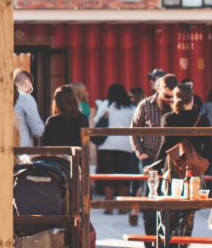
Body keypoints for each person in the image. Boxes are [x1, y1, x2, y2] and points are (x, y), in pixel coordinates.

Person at [130, 74, 179, 238]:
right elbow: (133, 129)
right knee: (150, 202)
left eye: (173, 97)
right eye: (167, 96)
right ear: (158, 89)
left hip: (171, 161)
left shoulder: (177, 105)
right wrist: (140, 153)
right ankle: (151, 241)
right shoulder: (145, 105)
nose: (170, 99)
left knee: (171, 202)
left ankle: (167, 240)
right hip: (149, 159)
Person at [93, 83, 136, 215]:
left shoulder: (106, 104)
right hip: (125, 145)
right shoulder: (131, 107)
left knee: (108, 175)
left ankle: (109, 206)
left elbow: (96, 120)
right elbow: (135, 124)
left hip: (107, 145)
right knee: (123, 176)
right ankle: (122, 207)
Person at [157, 85, 211, 167]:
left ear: (174, 99)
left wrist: (156, 165)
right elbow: (208, 144)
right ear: (192, 99)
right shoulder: (202, 119)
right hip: (195, 165)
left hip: (174, 164)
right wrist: (203, 161)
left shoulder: (168, 118)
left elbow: (166, 144)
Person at [42, 84, 90, 148]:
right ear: (74, 99)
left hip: (57, 157)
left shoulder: (52, 121)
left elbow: (47, 147)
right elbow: (85, 145)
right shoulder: (83, 119)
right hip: (78, 157)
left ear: (57, 102)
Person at [13, 69, 44, 146]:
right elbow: (37, 131)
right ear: (27, 84)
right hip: (23, 149)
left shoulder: (4, 96)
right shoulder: (26, 98)